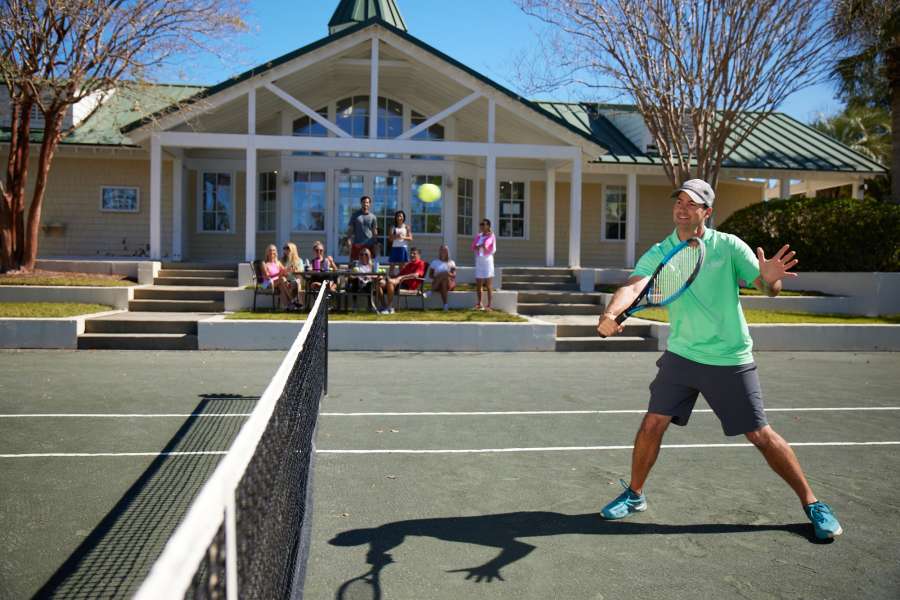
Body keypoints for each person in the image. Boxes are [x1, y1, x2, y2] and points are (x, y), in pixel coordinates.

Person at [595, 179, 842, 540]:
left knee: (760, 434)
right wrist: (611, 312)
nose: (681, 207)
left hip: (729, 357)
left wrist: (771, 280)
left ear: (706, 212)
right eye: (678, 201)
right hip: (682, 356)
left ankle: (813, 503)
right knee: (652, 424)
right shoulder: (662, 250)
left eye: (691, 203)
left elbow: (764, 285)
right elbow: (634, 286)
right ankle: (634, 494)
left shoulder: (727, 247)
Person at [376, 247, 427, 314]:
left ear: (419, 255)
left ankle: (390, 308)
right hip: (401, 283)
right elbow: (398, 276)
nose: (412, 255)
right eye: (411, 253)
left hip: (409, 286)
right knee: (380, 283)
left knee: (390, 283)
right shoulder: (409, 265)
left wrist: (401, 277)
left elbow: (416, 275)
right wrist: (387, 277)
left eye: (414, 254)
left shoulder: (421, 263)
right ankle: (384, 306)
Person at [471, 219, 496, 311]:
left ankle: (489, 305)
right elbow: (473, 246)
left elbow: (486, 245)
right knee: (478, 283)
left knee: (488, 284)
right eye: (480, 224)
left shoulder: (491, 235)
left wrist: (480, 245)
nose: (481, 226)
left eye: (483, 224)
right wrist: (479, 246)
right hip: (479, 260)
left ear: (488, 226)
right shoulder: (478, 235)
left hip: (487, 261)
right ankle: (479, 303)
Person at [346, 195, 379, 261]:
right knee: (354, 263)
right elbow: (351, 229)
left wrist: (376, 242)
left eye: (367, 202)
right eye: (364, 202)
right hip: (357, 243)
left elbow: (374, 230)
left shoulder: (373, 217)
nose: (365, 204)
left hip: (369, 244)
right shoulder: (355, 215)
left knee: (368, 264)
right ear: (361, 203)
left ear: (369, 204)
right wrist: (348, 239)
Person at [261, 244, 292, 308]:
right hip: (266, 283)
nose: (272, 252)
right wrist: (279, 274)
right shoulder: (264, 263)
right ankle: (292, 299)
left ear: (276, 252)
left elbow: (285, 273)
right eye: (270, 250)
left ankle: (287, 306)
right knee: (281, 279)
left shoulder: (278, 262)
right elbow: (267, 277)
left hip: (277, 282)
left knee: (281, 284)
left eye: (273, 250)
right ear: (267, 252)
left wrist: (288, 270)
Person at [427, 244, 456, 311]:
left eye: (445, 250)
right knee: (443, 281)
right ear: (439, 252)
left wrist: (446, 274)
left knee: (445, 276)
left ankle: (431, 291)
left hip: (449, 284)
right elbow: (430, 275)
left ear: (447, 252)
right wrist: (438, 277)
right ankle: (445, 305)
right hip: (437, 284)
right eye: (442, 250)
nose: (443, 252)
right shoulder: (435, 262)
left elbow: (454, 275)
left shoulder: (451, 262)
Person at [281, 242, 304, 310]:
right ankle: (294, 302)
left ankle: (289, 305)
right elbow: (280, 273)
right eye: (284, 248)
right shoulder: (282, 260)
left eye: (287, 248)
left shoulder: (299, 261)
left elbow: (301, 273)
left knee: (296, 282)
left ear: (293, 249)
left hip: (295, 281)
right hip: (286, 281)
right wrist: (286, 272)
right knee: (283, 281)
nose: (285, 250)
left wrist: (294, 271)